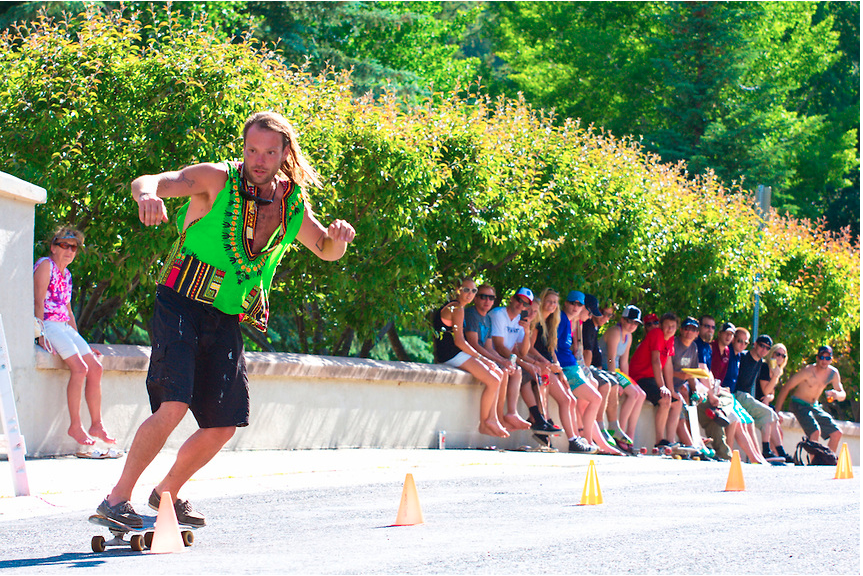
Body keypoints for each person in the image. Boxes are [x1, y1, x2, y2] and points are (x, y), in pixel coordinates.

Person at [97, 111, 356, 528]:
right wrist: (147, 196)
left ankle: (167, 492)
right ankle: (116, 499)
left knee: (223, 424)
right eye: (252, 149)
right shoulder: (217, 178)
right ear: (243, 147)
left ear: (284, 153)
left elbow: (324, 247)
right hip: (180, 301)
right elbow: (150, 181)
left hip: (226, 317)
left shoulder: (292, 203)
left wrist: (339, 239)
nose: (259, 159)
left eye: (269, 152)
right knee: (173, 405)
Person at [34, 226, 115, 448]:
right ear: (53, 247)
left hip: (64, 327)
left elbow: (68, 312)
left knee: (95, 367)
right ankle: (75, 426)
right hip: (49, 324)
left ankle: (96, 424)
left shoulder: (67, 275)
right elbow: (37, 301)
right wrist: (40, 333)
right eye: (64, 245)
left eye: (74, 247)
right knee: (80, 368)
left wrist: (83, 344)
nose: (70, 250)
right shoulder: (45, 265)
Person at [433, 279, 509, 439]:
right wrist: (483, 359)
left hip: (451, 353)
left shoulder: (454, 307)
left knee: (498, 376)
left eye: (473, 291)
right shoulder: (458, 308)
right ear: (457, 290)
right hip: (450, 354)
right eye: (466, 290)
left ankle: (492, 419)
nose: (470, 294)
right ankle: (484, 422)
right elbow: (459, 341)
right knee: (494, 380)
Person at [528, 289, 593, 453]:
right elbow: (530, 348)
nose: (552, 305)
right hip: (538, 364)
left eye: (554, 302)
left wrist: (559, 369)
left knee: (571, 399)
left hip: (550, 365)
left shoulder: (552, 321)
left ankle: (574, 439)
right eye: (549, 301)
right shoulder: (537, 321)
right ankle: (572, 441)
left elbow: (551, 349)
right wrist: (548, 363)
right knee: (565, 399)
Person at [557, 291, 619, 454]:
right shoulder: (567, 321)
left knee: (600, 386)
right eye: (573, 303)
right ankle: (589, 438)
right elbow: (598, 356)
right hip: (569, 367)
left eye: (580, 305)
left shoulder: (578, 323)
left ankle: (597, 437)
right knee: (596, 393)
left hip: (576, 367)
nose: (593, 316)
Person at [775, 346, 846, 453]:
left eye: (827, 358)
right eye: (822, 357)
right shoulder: (808, 371)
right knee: (815, 431)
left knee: (836, 433)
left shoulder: (833, 373)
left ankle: (828, 461)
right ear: (817, 358)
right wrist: (777, 411)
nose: (824, 361)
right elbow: (787, 387)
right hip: (799, 404)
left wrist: (836, 394)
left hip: (814, 406)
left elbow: (842, 395)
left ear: (831, 360)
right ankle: (815, 464)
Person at [628, 312, 681, 448]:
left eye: (673, 327)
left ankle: (670, 440)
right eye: (667, 326)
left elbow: (667, 365)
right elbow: (656, 361)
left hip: (652, 378)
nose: (670, 329)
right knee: (665, 400)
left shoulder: (671, 339)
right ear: (661, 326)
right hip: (640, 377)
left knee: (677, 402)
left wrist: (671, 389)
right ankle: (660, 442)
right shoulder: (657, 334)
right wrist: (662, 386)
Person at [599, 305, 646, 448]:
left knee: (641, 394)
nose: (632, 325)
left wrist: (627, 380)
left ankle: (629, 435)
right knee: (632, 394)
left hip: (618, 370)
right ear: (622, 319)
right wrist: (617, 383)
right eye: (629, 321)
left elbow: (624, 361)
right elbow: (611, 359)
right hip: (607, 369)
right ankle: (619, 431)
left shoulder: (629, 336)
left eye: (635, 323)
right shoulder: (615, 332)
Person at [732, 334, 784, 462]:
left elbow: (768, 393)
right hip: (737, 394)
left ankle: (767, 454)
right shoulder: (743, 356)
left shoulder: (760, 362)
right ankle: (766, 451)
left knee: (771, 416)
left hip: (746, 397)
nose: (764, 350)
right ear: (754, 344)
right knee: (768, 413)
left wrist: (776, 376)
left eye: (767, 348)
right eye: (761, 346)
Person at [582, 298, 625, 451]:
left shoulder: (595, 327)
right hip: (585, 367)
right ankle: (600, 425)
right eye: (603, 314)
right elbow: (587, 352)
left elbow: (597, 356)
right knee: (605, 384)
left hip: (594, 367)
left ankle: (613, 425)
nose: (605, 318)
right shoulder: (587, 324)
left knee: (613, 381)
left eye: (609, 316)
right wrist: (587, 373)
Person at [489, 288, 534, 431]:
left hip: (504, 358)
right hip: (491, 354)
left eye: (525, 304)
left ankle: (512, 413)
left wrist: (527, 332)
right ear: (512, 299)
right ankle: (498, 418)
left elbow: (523, 351)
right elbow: (499, 345)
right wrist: (512, 360)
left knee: (518, 371)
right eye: (519, 301)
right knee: (510, 370)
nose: (521, 306)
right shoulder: (498, 314)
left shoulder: (520, 321)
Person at [721, 328, 768, 464]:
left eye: (745, 342)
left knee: (749, 421)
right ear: (733, 339)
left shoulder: (738, 356)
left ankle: (758, 457)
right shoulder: (727, 353)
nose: (741, 344)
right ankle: (730, 456)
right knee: (736, 420)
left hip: (731, 396)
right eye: (739, 340)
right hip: (724, 394)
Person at [756, 343, 793, 462]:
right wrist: (775, 377)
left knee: (778, 424)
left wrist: (769, 398)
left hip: (765, 402)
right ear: (772, 354)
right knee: (773, 419)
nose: (780, 358)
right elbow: (765, 390)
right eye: (778, 354)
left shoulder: (776, 371)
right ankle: (774, 452)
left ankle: (777, 455)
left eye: (783, 356)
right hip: (757, 400)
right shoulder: (765, 367)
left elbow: (771, 394)